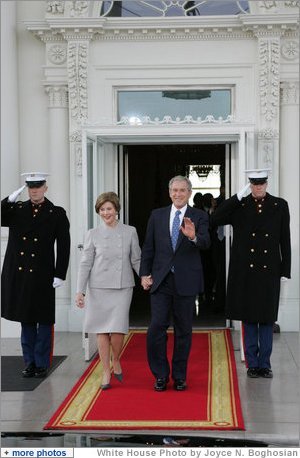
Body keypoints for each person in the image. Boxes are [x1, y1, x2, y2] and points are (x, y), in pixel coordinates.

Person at [211, 169, 291, 378]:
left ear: (266, 184)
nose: (258, 187)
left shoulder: (279, 205)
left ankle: (265, 364)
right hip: (245, 271)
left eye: (261, 183)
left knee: (266, 318)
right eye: (254, 184)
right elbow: (216, 218)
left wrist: (286, 269)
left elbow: (285, 238)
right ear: (249, 185)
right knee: (248, 318)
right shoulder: (240, 205)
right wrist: (236, 197)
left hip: (269, 270)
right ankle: (252, 364)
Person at [140, 175, 210, 391]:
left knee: (183, 331)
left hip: (186, 281)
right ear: (169, 192)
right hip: (161, 281)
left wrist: (192, 237)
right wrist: (144, 274)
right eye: (174, 190)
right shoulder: (157, 215)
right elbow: (148, 247)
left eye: (182, 190)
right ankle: (160, 374)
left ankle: (179, 376)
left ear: (189, 193)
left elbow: (206, 242)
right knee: (156, 328)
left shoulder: (198, 216)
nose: (178, 194)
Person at [1, 172, 70, 378]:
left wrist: (60, 274)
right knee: (26, 320)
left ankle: (41, 362)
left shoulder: (56, 212)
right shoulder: (18, 209)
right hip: (21, 274)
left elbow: (64, 246)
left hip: (43, 274)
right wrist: (9, 200)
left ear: (45, 188)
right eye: (31, 187)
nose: (34, 190)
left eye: (38, 187)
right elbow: (1, 217)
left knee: (44, 320)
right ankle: (29, 362)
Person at [75, 192, 141, 389]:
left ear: (116, 209)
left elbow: (136, 259)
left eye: (109, 209)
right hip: (98, 286)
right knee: (101, 330)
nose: (106, 213)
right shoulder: (92, 234)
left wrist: (144, 277)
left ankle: (116, 359)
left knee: (118, 328)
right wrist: (80, 291)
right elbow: (85, 263)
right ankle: (105, 370)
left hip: (122, 286)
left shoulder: (130, 231)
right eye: (102, 209)